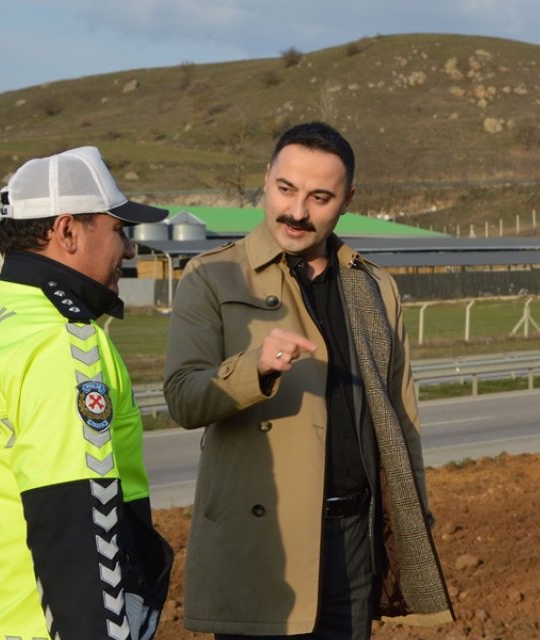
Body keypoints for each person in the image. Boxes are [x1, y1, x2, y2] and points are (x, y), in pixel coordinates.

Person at [164, 121, 453, 639]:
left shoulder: (373, 286)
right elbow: (183, 399)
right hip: (263, 544)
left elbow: (400, 417)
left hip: (352, 542)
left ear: (347, 201)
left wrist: (412, 518)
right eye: (286, 189)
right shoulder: (211, 276)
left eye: (320, 197)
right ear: (266, 180)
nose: (297, 211)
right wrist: (253, 368)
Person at [0, 146, 174, 640]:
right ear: (67, 231)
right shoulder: (62, 342)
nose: (128, 249)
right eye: (118, 229)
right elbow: (80, 528)